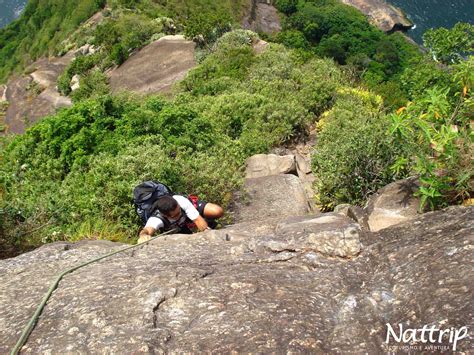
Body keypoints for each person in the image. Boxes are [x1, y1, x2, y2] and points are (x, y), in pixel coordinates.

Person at [137, 194, 223, 244]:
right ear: (165, 215)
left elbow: (197, 219)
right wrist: (143, 236)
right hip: (177, 228)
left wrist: (207, 232)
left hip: (188, 217)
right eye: (176, 214)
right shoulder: (157, 219)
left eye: (179, 210)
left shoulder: (180, 201)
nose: (180, 214)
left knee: (217, 211)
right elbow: (147, 230)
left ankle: (210, 223)